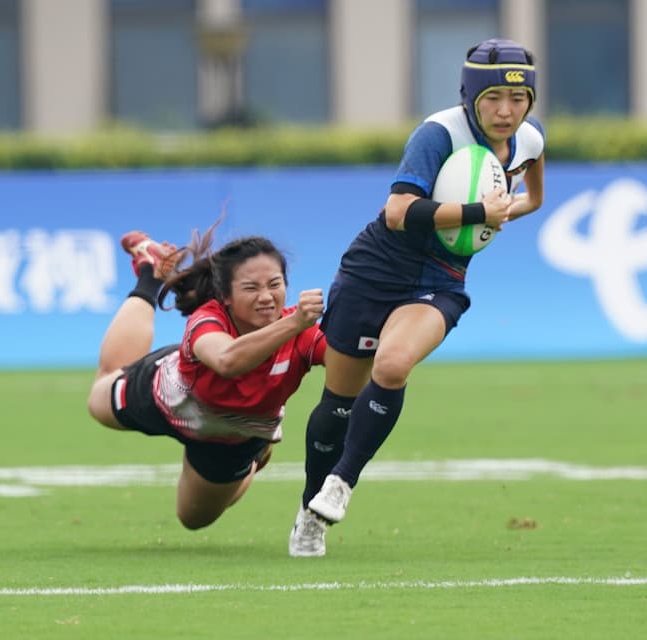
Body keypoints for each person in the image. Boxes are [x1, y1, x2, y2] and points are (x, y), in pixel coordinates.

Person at [288, 37, 545, 557]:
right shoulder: (438, 134)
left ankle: (342, 483)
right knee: (338, 404)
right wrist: (479, 215)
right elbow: (398, 212)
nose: (506, 110)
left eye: (518, 100)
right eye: (493, 97)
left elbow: (534, 197)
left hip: (442, 277)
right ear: (472, 96)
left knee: (395, 363)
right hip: (374, 271)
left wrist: (498, 219)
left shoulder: (530, 142)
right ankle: (309, 508)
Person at [87, 224, 326, 531]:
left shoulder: (302, 332)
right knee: (98, 401)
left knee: (193, 519)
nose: (266, 297)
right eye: (251, 288)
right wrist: (294, 323)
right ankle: (150, 274)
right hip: (169, 399)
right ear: (225, 295)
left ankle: (252, 457)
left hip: (231, 436)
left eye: (275, 284)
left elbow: (349, 357)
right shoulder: (209, 319)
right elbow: (227, 361)